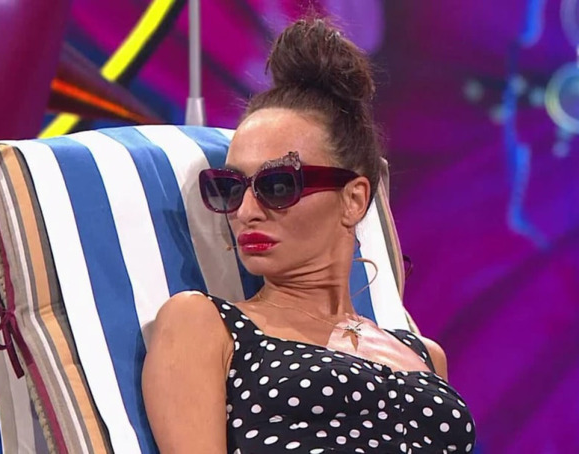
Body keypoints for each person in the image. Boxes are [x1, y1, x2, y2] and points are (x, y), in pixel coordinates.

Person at [142, 16, 476, 453]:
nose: (245, 211)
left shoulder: (426, 354)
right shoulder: (205, 324)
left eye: (278, 185)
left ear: (354, 199)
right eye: (231, 187)